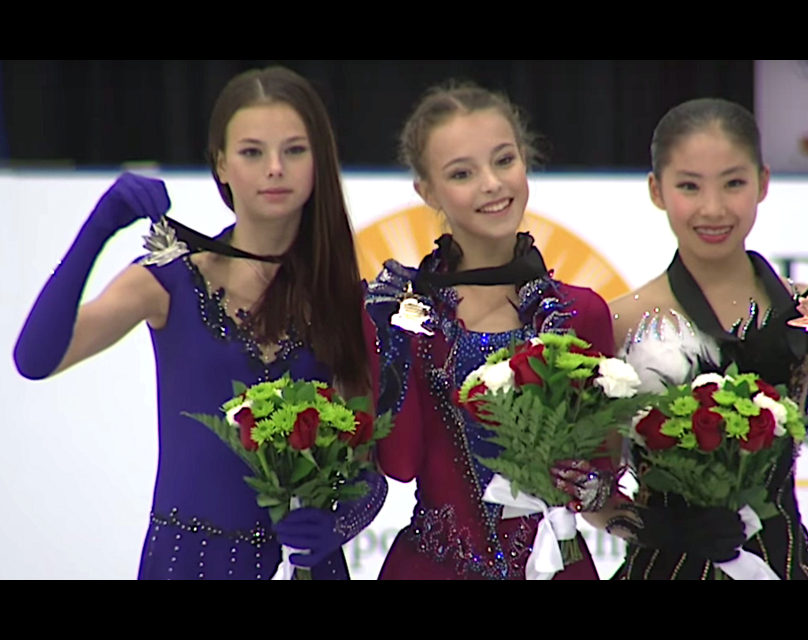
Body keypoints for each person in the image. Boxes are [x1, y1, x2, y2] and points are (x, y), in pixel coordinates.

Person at [13, 66, 387, 580]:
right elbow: (35, 359)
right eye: (252, 152)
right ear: (221, 165)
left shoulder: (345, 299)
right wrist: (98, 228)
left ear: (320, 160)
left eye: (295, 150)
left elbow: (367, 464)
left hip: (304, 568)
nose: (275, 168)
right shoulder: (169, 280)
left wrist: (338, 523)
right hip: (185, 563)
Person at [552, 97, 808, 580]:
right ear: (657, 190)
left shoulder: (806, 312)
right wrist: (656, 529)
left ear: (763, 183)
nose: (713, 208)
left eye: (734, 183)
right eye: (689, 186)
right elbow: (585, 484)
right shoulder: (619, 321)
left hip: (781, 564)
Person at [365, 82, 618, 580]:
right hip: (432, 568)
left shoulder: (580, 314)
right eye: (462, 173)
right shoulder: (409, 314)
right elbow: (399, 465)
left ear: (525, 160)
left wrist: (598, 492)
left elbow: (604, 472)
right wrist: (392, 339)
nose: (491, 184)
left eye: (504, 161)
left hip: (554, 564)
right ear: (427, 191)